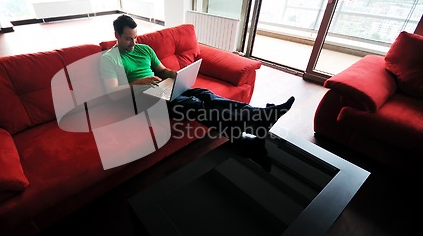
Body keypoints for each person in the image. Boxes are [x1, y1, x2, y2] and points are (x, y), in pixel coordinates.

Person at [100, 14, 295, 168]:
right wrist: (139, 82)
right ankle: (257, 123)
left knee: (205, 94)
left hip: (160, 89)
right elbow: (113, 93)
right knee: (195, 105)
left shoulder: (144, 49)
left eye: (135, 38)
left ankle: (253, 130)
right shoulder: (110, 59)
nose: (133, 44)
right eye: (128, 39)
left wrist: (175, 74)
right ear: (116, 35)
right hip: (140, 100)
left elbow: (161, 71)